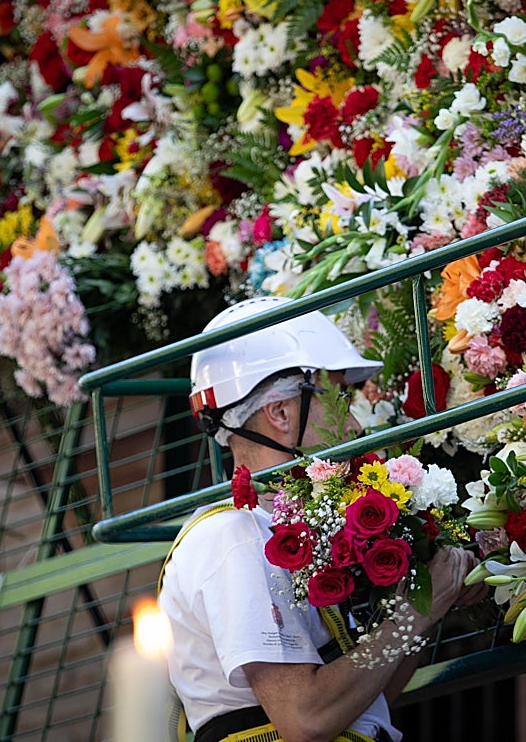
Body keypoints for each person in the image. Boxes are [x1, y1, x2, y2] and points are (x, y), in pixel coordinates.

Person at [159, 296, 482, 742]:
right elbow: (305, 719)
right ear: (281, 413)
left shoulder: (280, 529)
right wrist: (411, 616)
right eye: (339, 400)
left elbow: (370, 695)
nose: (353, 426)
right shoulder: (234, 537)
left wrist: (430, 599)